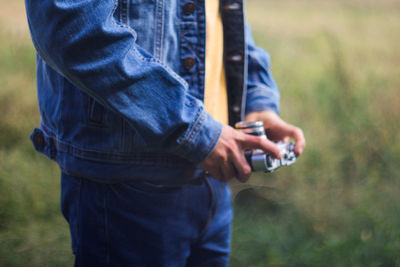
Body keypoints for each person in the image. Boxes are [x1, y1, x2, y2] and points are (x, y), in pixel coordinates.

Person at [25, 0, 305, 266]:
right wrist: (195, 131)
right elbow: (70, 27)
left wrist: (256, 100)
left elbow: (222, 16)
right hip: (125, 184)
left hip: (213, 170)